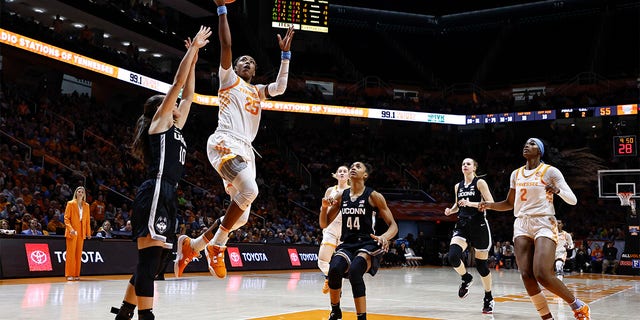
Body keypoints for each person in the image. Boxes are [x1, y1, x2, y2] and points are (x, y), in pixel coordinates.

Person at [173, 0, 295, 279]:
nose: (247, 62)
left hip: (246, 151)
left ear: (254, 71)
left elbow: (281, 87)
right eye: (243, 60)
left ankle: (193, 246)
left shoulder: (258, 91)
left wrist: (285, 56)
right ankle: (217, 247)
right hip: (225, 141)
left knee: (241, 216)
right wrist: (222, 10)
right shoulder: (228, 79)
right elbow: (226, 45)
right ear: (235, 67)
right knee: (251, 190)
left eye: (251, 62)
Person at [111, 26, 211, 320]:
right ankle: (146, 316)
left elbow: (190, 93)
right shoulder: (160, 123)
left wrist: (194, 60)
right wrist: (191, 50)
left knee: (153, 264)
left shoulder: (176, 128)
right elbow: (179, 84)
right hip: (155, 190)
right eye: (173, 103)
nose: (180, 105)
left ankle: (125, 313)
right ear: (163, 109)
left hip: (168, 193)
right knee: (149, 261)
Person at [479, 138, 590, 319]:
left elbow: (573, 200)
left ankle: (578, 306)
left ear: (540, 151)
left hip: (544, 222)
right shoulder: (516, 174)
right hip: (521, 223)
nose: (526, 145)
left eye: (531, 143)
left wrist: (558, 191)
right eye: (525, 143)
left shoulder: (550, 171)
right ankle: (547, 317)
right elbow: (509, 203)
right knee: (526, 275)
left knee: (542, 274)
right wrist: (489, 205)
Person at [319, 162, 398, 320]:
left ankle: (361, 317)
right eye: (352, 166)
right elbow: (324, 224)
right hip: (347, 243)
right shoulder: (342, 196)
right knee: (334, 269)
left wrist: (385, 237)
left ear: (365, 175)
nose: (353, 168)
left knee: (355, 271)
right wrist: (323, 207)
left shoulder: (373, 196)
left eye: (358, 167)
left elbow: (393, 226)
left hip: (367, 244)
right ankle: (336, 310)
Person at [443, 158, 496, 314]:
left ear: (474, 167)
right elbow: (457, 205)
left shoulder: (480, 183)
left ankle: (488, 297)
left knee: (481, 266)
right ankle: (466, 278)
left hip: (479, 225)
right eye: (463, 164)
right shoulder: (457, 186)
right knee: (452, 256)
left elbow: (491, 203)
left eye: (468, 164)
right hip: (463, 225)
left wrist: (471, 204)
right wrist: (450, 210)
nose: (464, 165)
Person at [318, 165, 350, 294]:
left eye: (344, 171)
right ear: (336, 175)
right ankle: (329, 277)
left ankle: (337, 288)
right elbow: (323, 210)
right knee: (321, 261)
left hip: (346, 229)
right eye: (340, 171)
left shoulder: (353, 191)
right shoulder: (330, 190)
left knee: (341, 264)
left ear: (348, 176)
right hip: (331, 228)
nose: (342, 173)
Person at [64, 186, 91, 281]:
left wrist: (88, 232)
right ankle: (69, 274)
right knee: (71, 253)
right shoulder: (70, 203)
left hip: (81, 231)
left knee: (78, 253)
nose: (80, 193)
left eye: (82, 192)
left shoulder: (86, 206)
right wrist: (70, 229)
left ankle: (76, 274)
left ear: (84, 194)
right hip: (72, 230)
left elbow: (87, 221)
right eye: (79, 191)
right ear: (76, 193)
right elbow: (66, 218)